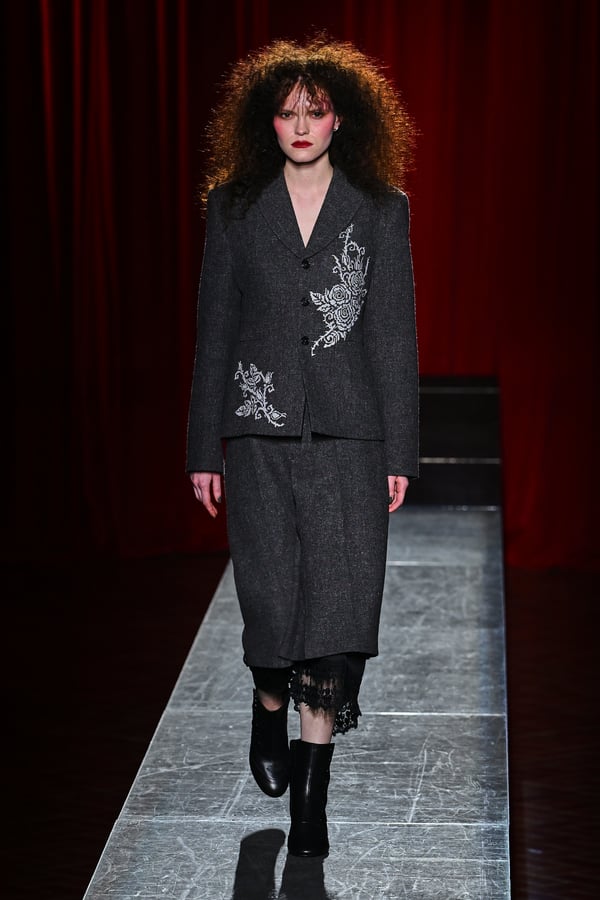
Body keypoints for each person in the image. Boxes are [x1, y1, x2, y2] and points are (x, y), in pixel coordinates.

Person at [186, 37, 418, 858]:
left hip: (351, 438)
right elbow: (214, 328)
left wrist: (401, 451)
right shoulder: (235, 207)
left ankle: (312, 799)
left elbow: (393, 335)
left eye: (314, 111)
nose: (301, 124)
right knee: (272, 603)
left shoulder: (380, 208)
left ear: (341, 119)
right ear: (269, 121)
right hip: (258, 430)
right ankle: (267, 702)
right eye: (287, 112)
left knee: (337, 615)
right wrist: (202, 447)